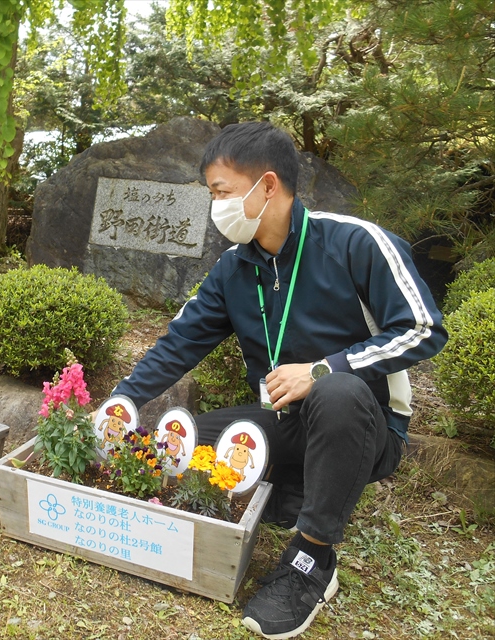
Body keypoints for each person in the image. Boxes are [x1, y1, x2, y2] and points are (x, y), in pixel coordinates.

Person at [110, 122, 447, 639]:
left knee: (338, 393)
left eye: (221, 192)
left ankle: (311, 559)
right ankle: (291, 486)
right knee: (184, 440)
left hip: (363, 424)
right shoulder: (233, 268)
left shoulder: (353, 242)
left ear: (268, 185)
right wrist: (120, 402)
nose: (215, 206)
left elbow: (423, 329)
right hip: (282, 420)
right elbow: (178, 344)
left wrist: (325, 368)